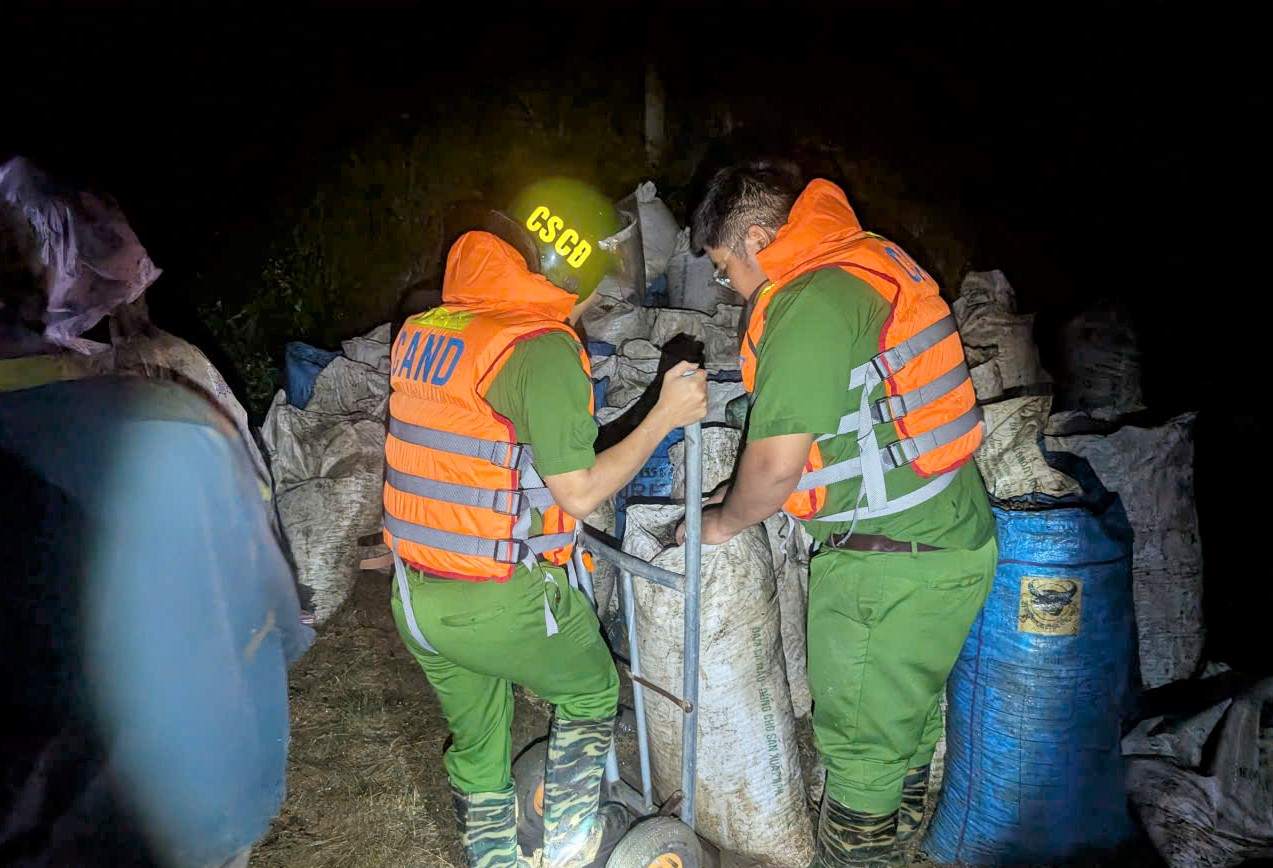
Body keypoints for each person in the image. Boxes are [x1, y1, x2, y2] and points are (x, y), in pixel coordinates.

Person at [383, 178, 707, 868]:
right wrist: (664, 416)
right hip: (498, 595)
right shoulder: (540, 347)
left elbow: (477, 446)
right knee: (591, 691)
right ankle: (568, 845)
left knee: (481, 745)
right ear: (575, 269)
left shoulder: (431, 328)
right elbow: (580, 492)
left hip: (416, 594)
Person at [685, 162, 997, 867]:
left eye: (725, 268)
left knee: (860, 753)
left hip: (888, 567)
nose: (730, 287)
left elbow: (774, 470)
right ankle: (898, 845)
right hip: (950, 536)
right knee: (902, 724)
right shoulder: (868, 259)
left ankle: (857, 856)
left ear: (757, 238)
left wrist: (721, 522)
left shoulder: (809, 299)